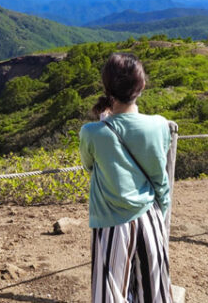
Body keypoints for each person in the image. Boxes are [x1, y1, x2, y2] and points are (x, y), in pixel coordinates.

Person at [79, 52, 172, 303]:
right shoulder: (160, 126)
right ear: (141, 86)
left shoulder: (92, 133)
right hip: (150, 218)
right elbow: (160, 178)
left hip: (110, 224)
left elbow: (89, 166)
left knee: (111, 295)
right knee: (154, 294)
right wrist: (161, 217)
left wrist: (105, 120)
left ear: (107, 87)